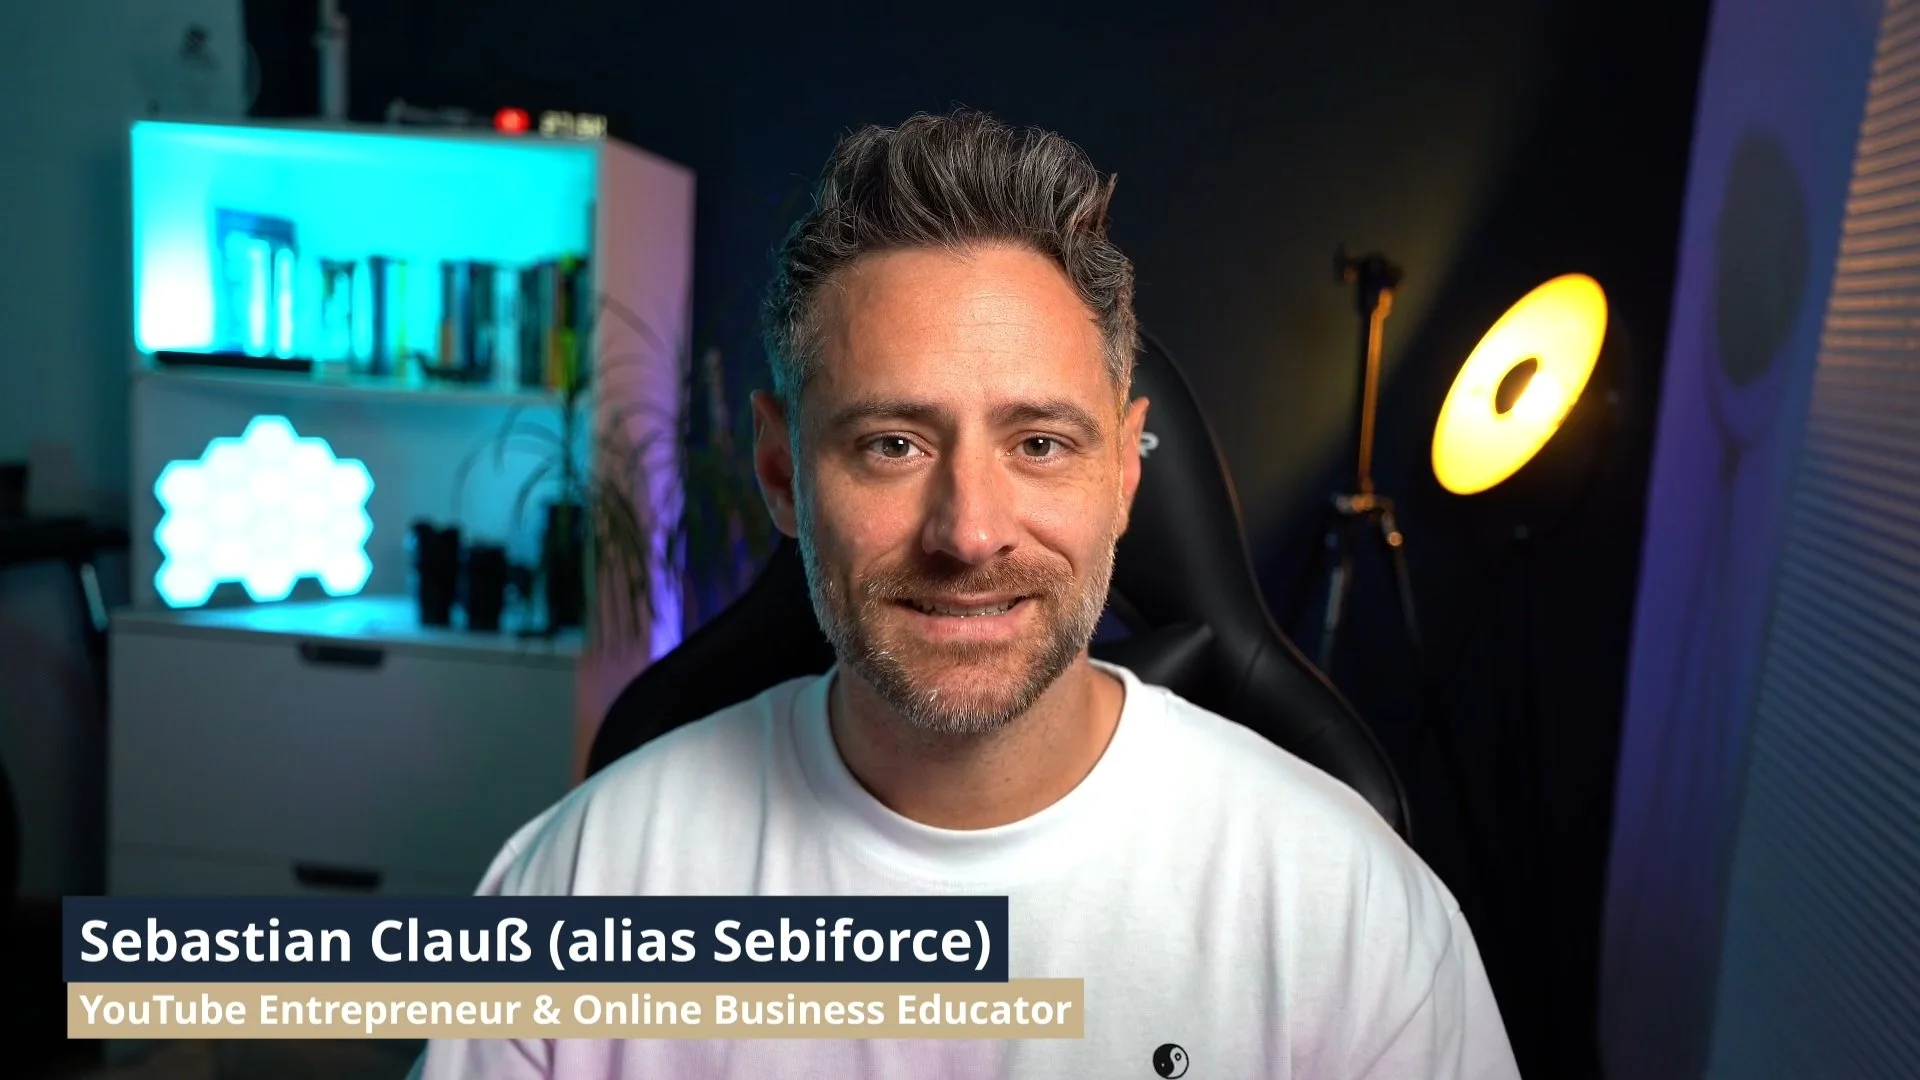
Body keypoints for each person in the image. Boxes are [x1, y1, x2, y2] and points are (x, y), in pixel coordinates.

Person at [416, 108, 1519, 1079]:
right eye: (893, 443)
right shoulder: (588, 881)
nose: (971, 532)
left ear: (1126, 475)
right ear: (780, 473)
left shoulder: (1350, 911)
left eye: (1040, 443)